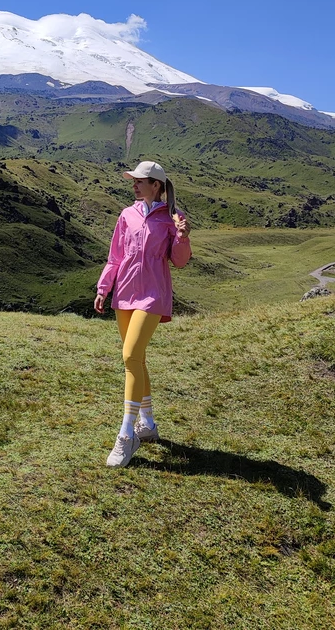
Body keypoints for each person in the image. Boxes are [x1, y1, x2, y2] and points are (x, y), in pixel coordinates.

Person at [94, 160, 192, 467]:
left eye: (141, 180)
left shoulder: (172, 219)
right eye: (133, 180)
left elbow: (179, 261)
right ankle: (147, 423)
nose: (135, 185)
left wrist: (183, 237)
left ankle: (127, 435)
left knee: (130, 356)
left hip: (152, 297)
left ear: (157, 186)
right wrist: (103, 287)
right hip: (124, 295)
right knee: (136, 359)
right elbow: (116, 256)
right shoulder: (127, 215)